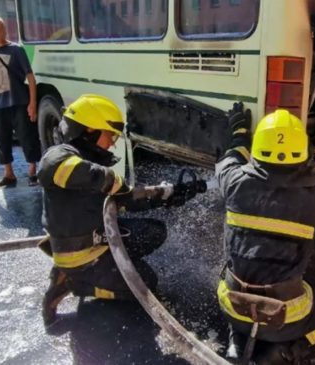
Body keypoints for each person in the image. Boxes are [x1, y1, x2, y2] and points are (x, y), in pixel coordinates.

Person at [38, 94, 202, 326]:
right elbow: (49, 168)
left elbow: (126, 198)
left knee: (155, 231)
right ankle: (72, 282)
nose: (113, 144)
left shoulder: (87, 162)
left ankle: (102, 271)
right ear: (88, 131)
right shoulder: (61, 155)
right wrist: (108, 177)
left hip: (97, 239)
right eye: (110, 136)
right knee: (146, 283)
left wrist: (169, 194)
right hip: (83, 256)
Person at [215, 105, 315, 364]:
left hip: (233, 306)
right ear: (304, 152)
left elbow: (231, 156)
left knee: (232, 271)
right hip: (285, 315)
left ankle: (236, 339)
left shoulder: (233, 182)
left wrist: (240, 131)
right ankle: (287, 351)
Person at [0, 15, 41, 187]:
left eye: (1, 29)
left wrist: (32, 103)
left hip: (19, 101)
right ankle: (8, 173)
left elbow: (30, 78)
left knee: (27, 137)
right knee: (1, 139)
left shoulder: (16, 50)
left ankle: (33, 170)